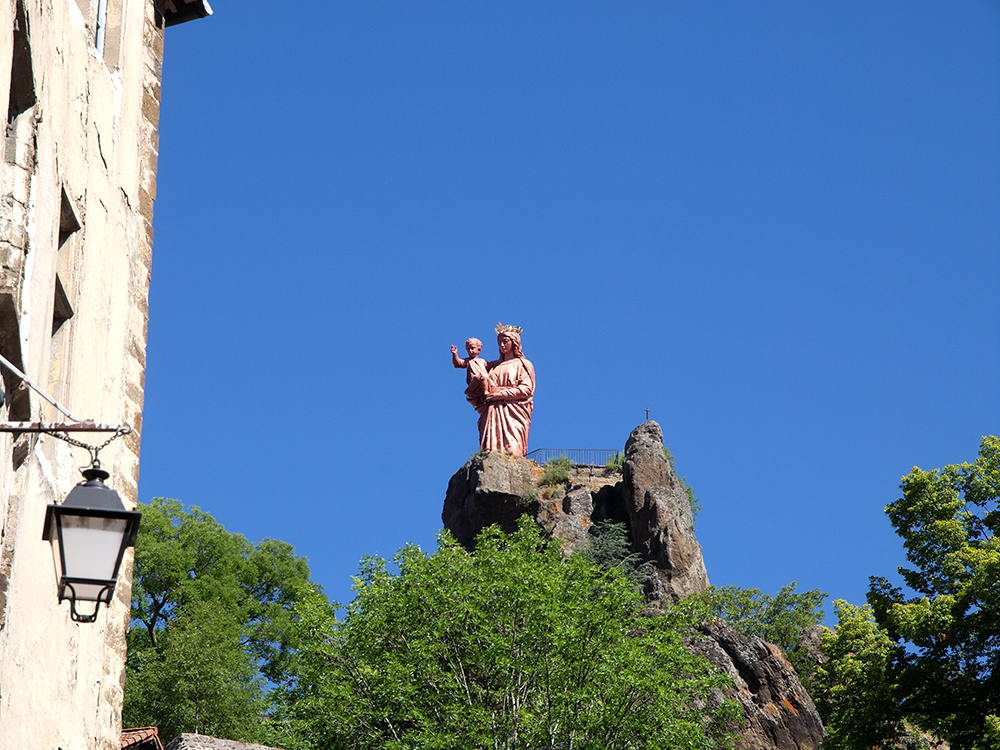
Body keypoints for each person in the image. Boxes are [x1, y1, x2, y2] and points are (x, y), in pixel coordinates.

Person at [478, 324, 534, 456]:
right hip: (493, 410)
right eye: (500, 343)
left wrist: (499, 394)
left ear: (514, 342)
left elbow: (526, 389)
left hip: (513, 410)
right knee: (491, 450)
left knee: (512, 448)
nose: (502, 345)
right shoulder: (494, 367)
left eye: (505, 341)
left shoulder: (523, 364)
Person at [451, 338, 489, 409]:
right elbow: (458, 363)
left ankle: (486, 392)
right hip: (474, 382)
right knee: (482, 376)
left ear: (479, 349)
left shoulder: (482, 361)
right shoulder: (468, 361)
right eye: (468, 349)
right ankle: (483, 392)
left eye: (472, 348)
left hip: (483, 380)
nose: (470, 351)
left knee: (485, 377)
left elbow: (491, 365)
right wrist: (454, 354)